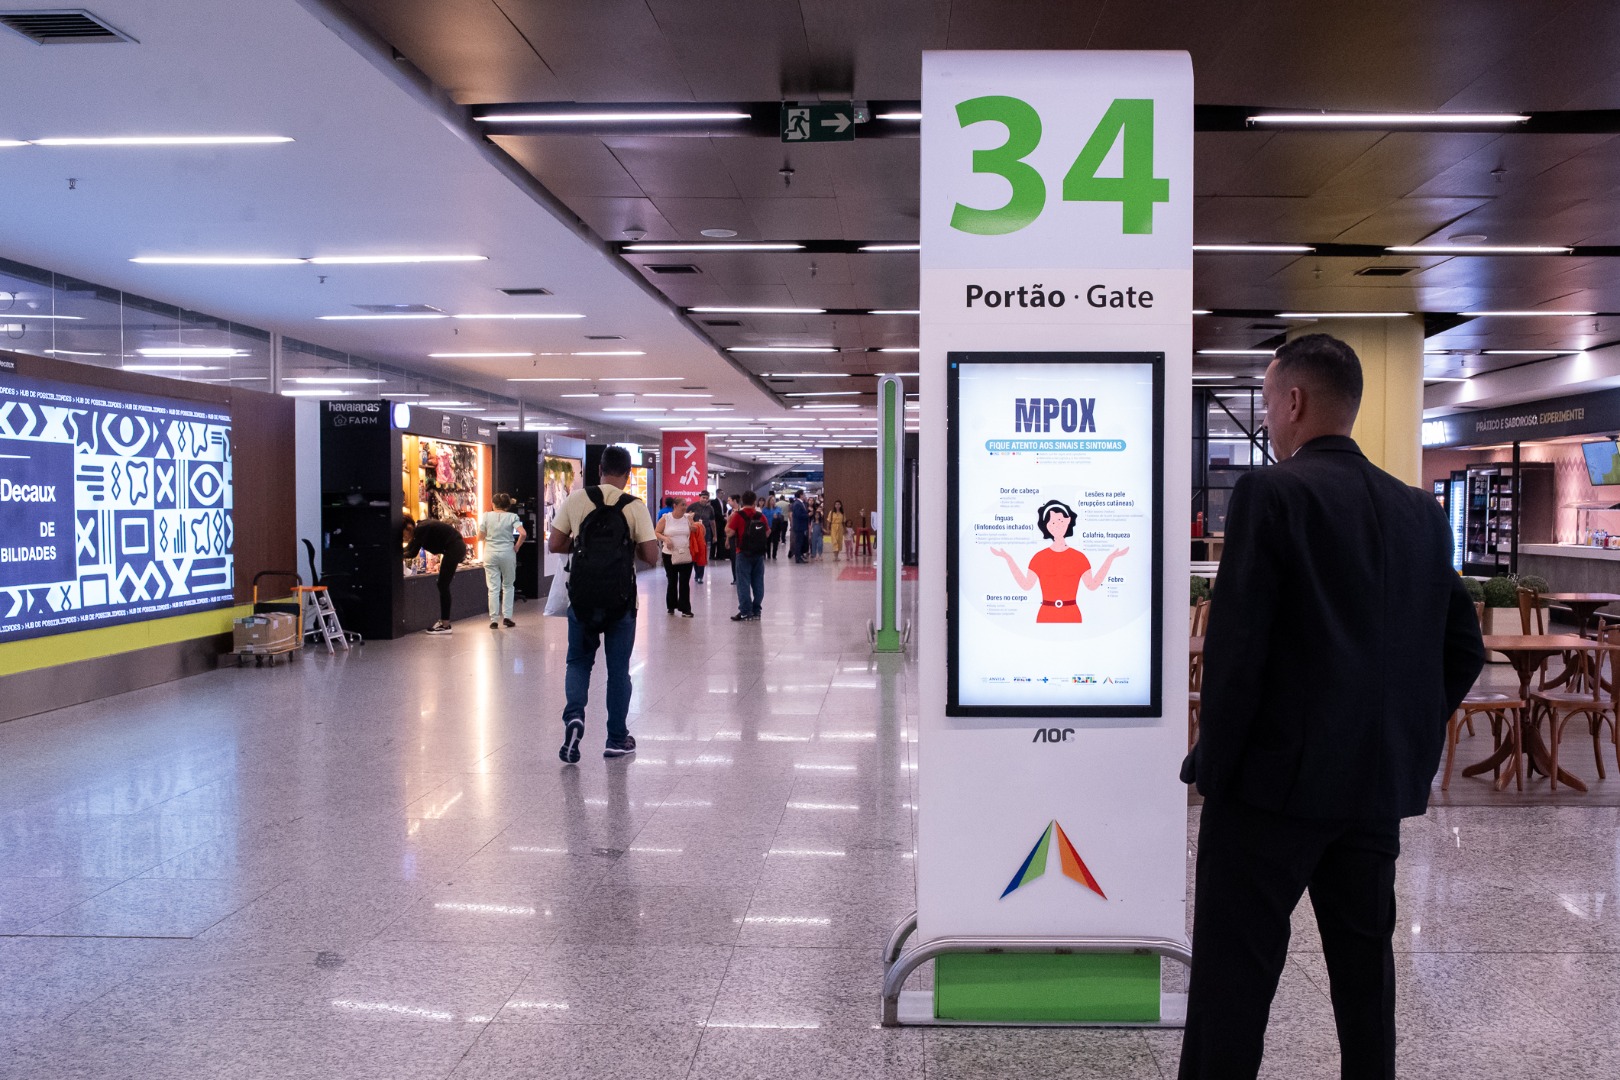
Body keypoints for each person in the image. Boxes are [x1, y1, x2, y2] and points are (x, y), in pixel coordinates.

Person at [1177, 334, 1486, 1080]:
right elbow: (1463, 648)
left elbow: (1238, 650)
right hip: (1373, 790)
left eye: (1268, 399)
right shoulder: (1418, 510)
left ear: (1292, 401)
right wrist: (1401, 739)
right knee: (1364, 976)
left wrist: (1212, 762)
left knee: (1234, 980)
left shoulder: (1271, 493)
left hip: (1270, 792)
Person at [547, 445, 660, 762]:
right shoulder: (634, 506)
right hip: (620, 602)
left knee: (578, 663)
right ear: (627, 474)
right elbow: (651, 556)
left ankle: (574, 718)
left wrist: (582, 541)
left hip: (582, 599)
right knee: (619, 671)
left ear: (599, 469)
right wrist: (628, 548)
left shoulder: (577, 499)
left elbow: (555, 544)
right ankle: (616, 738)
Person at [989, 501, 1127, 623]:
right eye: (1052, 522)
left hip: (1071, 614)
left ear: (1068, 521)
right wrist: (1008, 559)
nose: (1057, 525)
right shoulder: (1039, 557)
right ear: (1046, 527)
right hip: (1046, 615)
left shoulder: (1079, 557)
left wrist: (1110, 559)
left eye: (1060, 520)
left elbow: (1092, 585)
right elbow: (1026, 585)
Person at [402, 515, 466, 634]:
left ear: (409, 527)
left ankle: (445, 624)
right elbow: (410, 547)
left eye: (403, 534)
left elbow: (412, 552)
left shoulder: (421, 529)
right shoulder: (421, 527)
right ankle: (444, 622)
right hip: (455, 548)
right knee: (442, 584)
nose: (403, 537)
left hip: (454, 548)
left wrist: (396, 555)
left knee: (443, 585)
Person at [477, 493, 526, 629]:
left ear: (493, 504)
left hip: (490, 553)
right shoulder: (512, 517)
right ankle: (507, 617)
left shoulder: (486, 516)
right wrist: (516, 546)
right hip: (507, 553)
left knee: (493, 587)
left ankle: (493, 620)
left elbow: (480, 536)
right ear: (507, 505)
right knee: (508, 585)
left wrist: (485, 537)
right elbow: (523, 533)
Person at [727, 490, 769, 621]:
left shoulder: (738, 515)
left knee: (743, 583)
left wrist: (728, 522)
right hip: (758, 554)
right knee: (758, 583)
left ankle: (745, 611)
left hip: (743, 553)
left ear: (742, 501)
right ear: (754, 501)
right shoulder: (760, 515)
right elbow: (767, 532)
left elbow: (729, 532)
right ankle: (757, 611)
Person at [655, 496, 696, 617]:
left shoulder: (688, 518)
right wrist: (665, 539)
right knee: (672, 580)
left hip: (685, 553)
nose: (685, 507)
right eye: (682, 505)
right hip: (669, 554)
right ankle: (671, 605)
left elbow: (694, 530)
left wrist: (694, 528)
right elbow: (656, 532)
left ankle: (685, 608)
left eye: (685, 504)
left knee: (684, 581)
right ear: (675, 506)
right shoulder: (666, 518)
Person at [689, 491, 716, 583]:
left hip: (705, 533)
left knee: (702, 555)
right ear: (699, 497)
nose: (705, 499)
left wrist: (715, 535)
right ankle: (696, 573)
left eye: (706, 498)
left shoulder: (710, 508)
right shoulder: (692, 506)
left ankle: (700, 575)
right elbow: (686, 518)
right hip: (693, 534)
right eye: (703, 497)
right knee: (695, 554)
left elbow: (712, 522)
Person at [790, 491, 811, 564]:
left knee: (801, 542)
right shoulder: (797, 504)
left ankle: (800, 556)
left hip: (801, 526)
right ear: (801, 495)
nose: (805, 496)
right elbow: (798, 515)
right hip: (799, 526)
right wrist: (808, 515)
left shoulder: (801, 503)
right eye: (804, 494)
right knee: (798, 542)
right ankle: (798, 558)